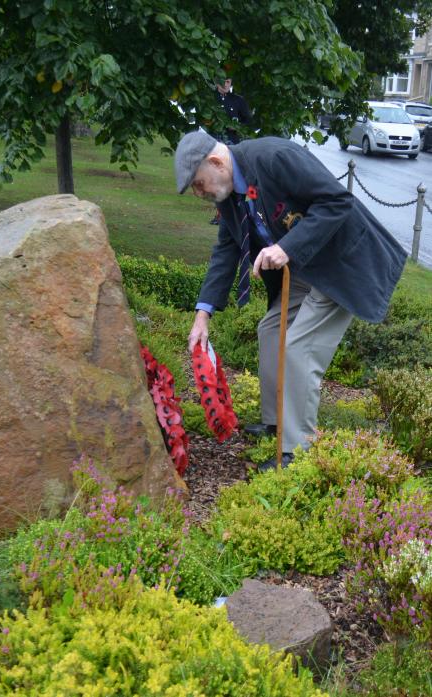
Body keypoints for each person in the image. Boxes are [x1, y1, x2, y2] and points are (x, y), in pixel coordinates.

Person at [174, 131, 407, 470]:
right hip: (304, 268)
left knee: (300, 346)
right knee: (271, 329)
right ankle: (277, 421)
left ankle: (297, 451)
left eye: (198, 184)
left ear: (215, 162)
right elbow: (225, 251)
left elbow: (337, 201)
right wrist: (202, 313)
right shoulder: (229, 198)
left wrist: (286, 248)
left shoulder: (275, 158)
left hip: (341, 264)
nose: (200, 193)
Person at [209, 78, 251, 224]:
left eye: (228, 82)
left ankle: (226, 214)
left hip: (232, 145)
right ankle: (221, 213)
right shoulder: (210, 98)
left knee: (229, 178)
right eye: (223, 81)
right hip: (214, 142)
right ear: (216, 81)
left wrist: (238, 127)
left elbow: (248, 121)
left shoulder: (238, 101)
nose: (226, 85)